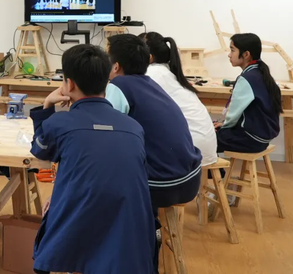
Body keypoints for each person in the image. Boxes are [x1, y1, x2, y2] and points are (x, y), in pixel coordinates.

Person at [30, 44, 155, 274]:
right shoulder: (133, 127)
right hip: (130, 234)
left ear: (69, 84)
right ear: (107, 82)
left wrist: (47, 104)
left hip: (78, 228)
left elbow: (40, 149)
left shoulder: (60, 123)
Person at [105, 34, 202, 273]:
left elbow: (104, 134)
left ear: (115, 66)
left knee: (98, 183)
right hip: (189, 179)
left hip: (161, 186)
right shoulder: (151, 83)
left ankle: (119, 257)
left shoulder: (118, 86)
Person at [139, 32, 217, 166]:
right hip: (204, 146)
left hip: (191, 149)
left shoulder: (152, 73)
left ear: (150, 57)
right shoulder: (167, 72)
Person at [216, 33, 282, 153]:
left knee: (206, 138)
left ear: (246, 54)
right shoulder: (261, 73)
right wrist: (223, 124)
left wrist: (223, 125)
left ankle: (214, 167)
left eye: (232, 50)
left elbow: (233, 115)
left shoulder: (246, 78)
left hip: (249, 139)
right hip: (262, 139)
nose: (229, 55)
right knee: (213, 132)